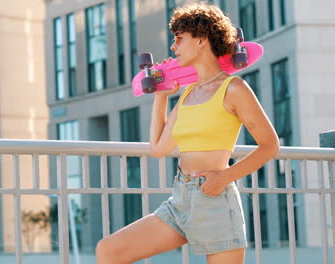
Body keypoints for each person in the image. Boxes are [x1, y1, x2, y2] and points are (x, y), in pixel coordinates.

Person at [96, 2, 279, 264]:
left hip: (214, 200)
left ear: (202, 40)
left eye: (179, 39)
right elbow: (158, 149)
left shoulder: (234, 88)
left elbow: (270, 145)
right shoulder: (188, 93)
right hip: (180, 200)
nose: (173, 47)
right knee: (109, 251)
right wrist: (161, 97)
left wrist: (225, 177)